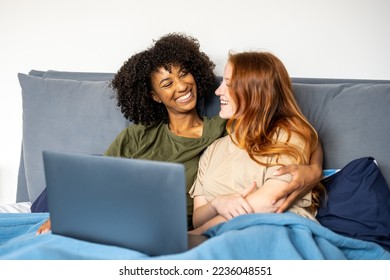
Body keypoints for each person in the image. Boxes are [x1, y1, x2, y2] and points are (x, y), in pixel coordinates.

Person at [36, 33, 322, 234]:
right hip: (123, 216)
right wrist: (63, 216)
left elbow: (285, 128)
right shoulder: (136, 137)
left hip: (176, 228)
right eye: (167, 82)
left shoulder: (223, 129)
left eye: (184, 74)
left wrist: (313, 171)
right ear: (155, 96)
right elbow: (94, 182)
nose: (181, 86)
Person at [189, 51, 325, 234]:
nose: (218, 91)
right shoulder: (214, 149)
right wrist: (217, 204)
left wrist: (195, 236)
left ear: (255, 92)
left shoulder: (287, 136)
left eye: (228, 84)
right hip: (221, 237)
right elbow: (198, 218)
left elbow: (269, 201)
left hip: (273, 229)